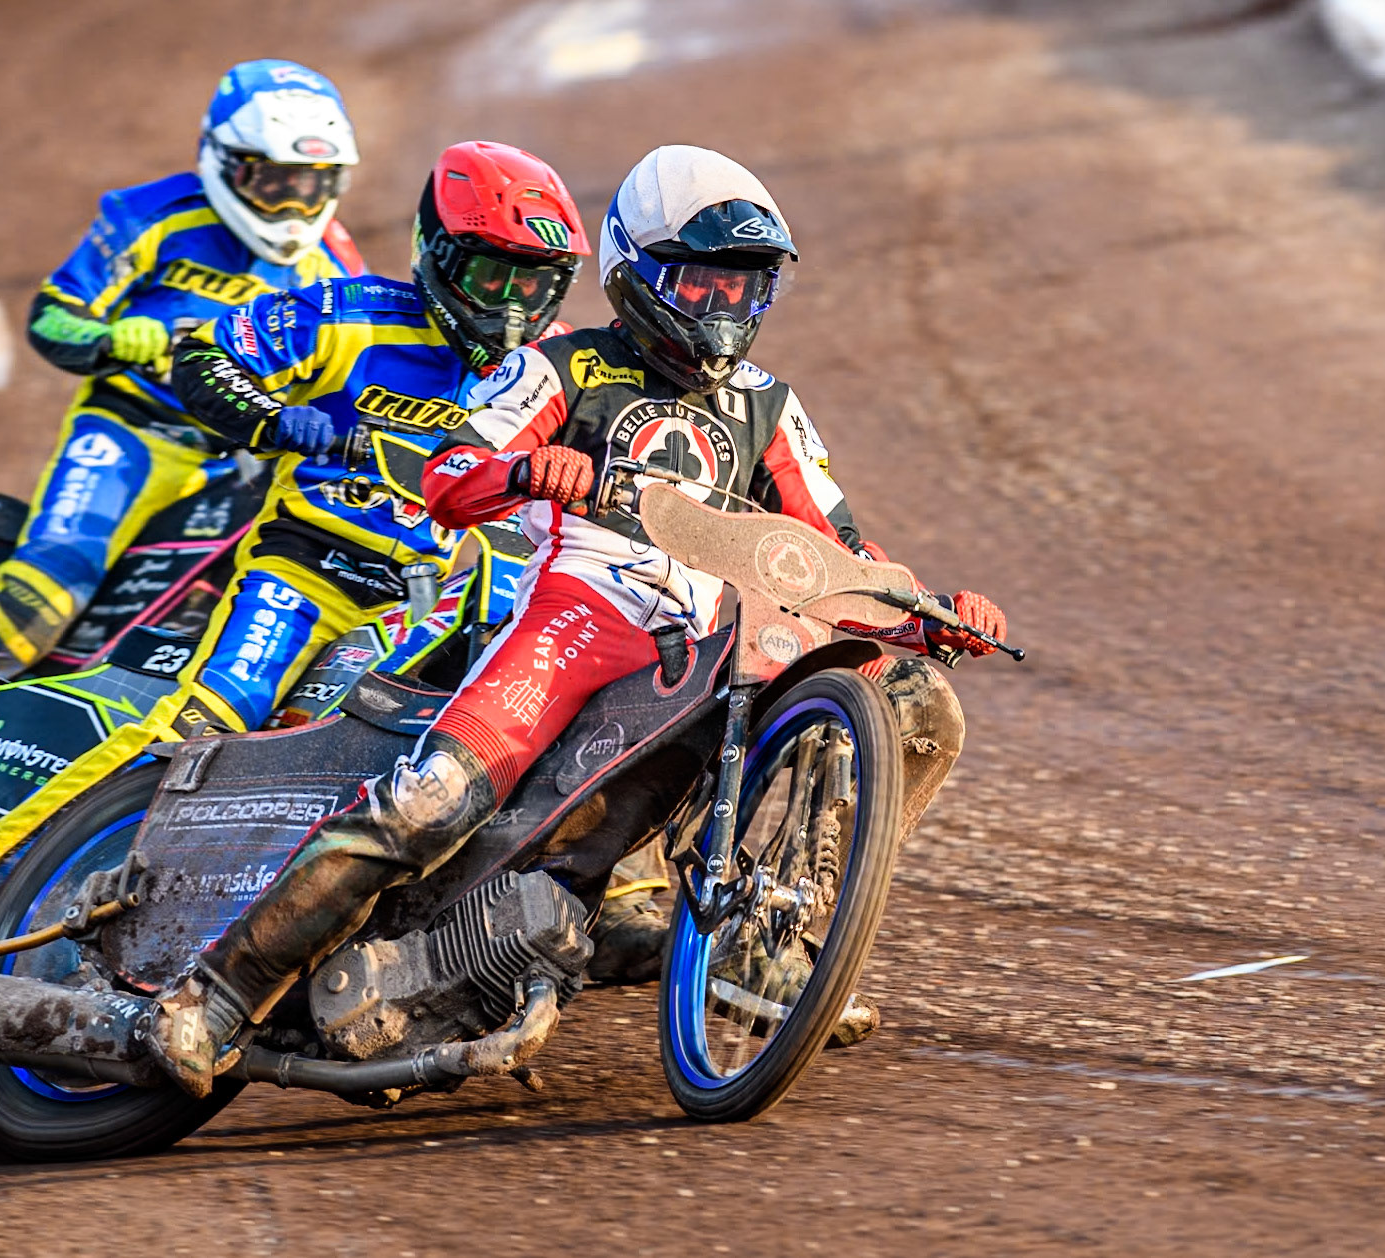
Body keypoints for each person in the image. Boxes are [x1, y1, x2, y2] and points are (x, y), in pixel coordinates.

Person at [142, 144, 1009, 1097]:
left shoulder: (771, 406)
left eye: (745, 288)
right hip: (575, 616)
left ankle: (772, 950)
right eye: (701, 282)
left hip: (706, 636)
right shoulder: (560, 365)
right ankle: (215, 994)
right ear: (634, 270)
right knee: (431, 799)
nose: (723, 309)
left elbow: (836, 548)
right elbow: (448, 472)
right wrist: (524, 470)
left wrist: (927, 614)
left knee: (908, 707)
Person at [0, 140, 591, 937]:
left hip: (421, 601)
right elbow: (207, 354)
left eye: (535, 282)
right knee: (204, 721)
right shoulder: (349, 312)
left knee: (349, 762)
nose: (512, 303)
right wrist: (273, 419)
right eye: (492, 276)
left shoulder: (556, 367)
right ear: (439, 254)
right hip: (303, 570)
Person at [0, 59, 364, 747]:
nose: (293, 205)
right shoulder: (150, 215)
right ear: (226, 164)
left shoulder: (337, 269)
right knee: (48, 591)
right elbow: (52, 318)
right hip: (133, 434)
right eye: (273, 182)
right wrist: (112, 335)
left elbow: (353, 374)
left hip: (246, 459)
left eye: (313, 185)